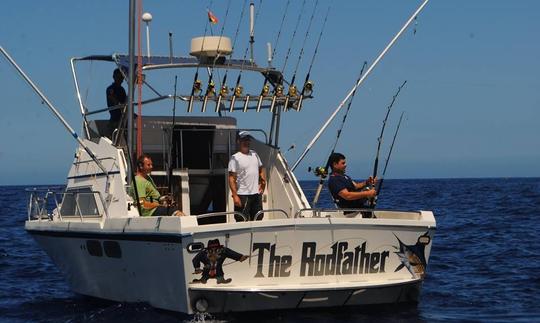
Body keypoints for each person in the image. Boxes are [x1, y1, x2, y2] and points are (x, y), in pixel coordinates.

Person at [228, 131, 266, 221]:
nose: (246, 142)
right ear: (238, 141)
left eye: (248, 140)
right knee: (241, 220)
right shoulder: (235, 158)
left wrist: (263, 183)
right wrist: (235, 195)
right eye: (244, 140)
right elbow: (231, 178)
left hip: (256, 194)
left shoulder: (255, 154)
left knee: (258, 218)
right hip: (242, 195)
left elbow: (261, 169)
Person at [327, 152, 377, 218]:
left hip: (362, 210)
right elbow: (347, 195)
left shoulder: (344, 176)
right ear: (335, 164)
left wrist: (367, 182)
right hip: (354, 215)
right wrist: (367, 193)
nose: (345, 165)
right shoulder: (334, 180)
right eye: (343, 163)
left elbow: (356, 186)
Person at [106, 68, 127, 133]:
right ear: (114, 77)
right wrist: (120, 105)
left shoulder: (122, 90)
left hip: (123, 116)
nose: (120, 79)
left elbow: (125, 101)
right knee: (113, 134)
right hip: (115, 117)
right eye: (118, 77)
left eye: (121, 77)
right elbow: (112, 99)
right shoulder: (110, 89)